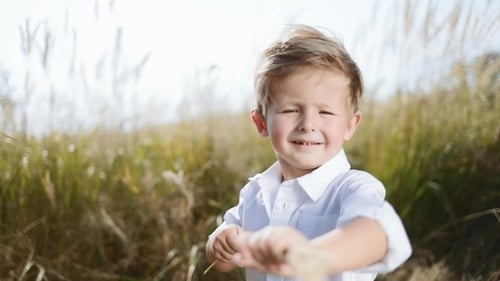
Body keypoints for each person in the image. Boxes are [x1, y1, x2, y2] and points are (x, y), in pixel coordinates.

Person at [205, 24, 412, 281]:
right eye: (291, 110)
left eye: (325, 112)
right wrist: (219, 243)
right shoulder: (256, 192)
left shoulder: (352, 188)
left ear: (350, 125)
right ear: (261, 123)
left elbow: (378, 233)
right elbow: (223, 259)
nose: (308, 124)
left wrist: (312, 256)